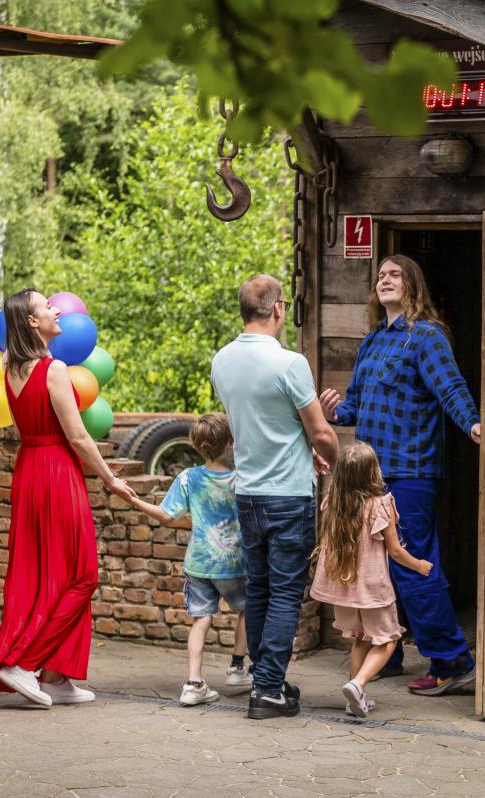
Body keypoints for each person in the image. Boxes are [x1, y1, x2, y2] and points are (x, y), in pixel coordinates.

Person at [319, 254, 480, 696]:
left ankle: (452, 661)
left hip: (411, 472)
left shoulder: (426, 336)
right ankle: (385, 652)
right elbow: (356, 405)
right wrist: (334, 412)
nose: (384, 280)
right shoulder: (373, 341)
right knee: (377, 569)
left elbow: (451, 388)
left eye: (394, 274)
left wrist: (472, 423)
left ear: (412, 285)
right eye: (380, 275)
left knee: (411, 566)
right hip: (370, 478)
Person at [0, 288, 137, 707]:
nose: (57, 310)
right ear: (32, 321)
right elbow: (78, 436)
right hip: (57, 471)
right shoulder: (54, 369)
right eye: (47, 306)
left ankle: (56, 677)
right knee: (82, 574)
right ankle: (24, 663)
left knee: (44, 575)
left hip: (29, 471)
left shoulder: (9, 367)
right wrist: (110, 479)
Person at [211, 274, 338, 719]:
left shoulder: (221, 361)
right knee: (285, 593)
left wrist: (304, 448)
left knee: (261, 590)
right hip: (288, 494)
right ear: (278, 309)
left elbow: (262, 423)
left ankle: (269, 678)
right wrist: (334, 460)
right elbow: (319, 431)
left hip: (248, 492)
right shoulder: (290, 363)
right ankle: (267, 689)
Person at [128, 413, 250, 706]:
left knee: (201, 619)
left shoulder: (188, 478)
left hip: (198, 564)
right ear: (230, 443)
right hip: (234, 564)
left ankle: (194, 683)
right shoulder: (243, 477)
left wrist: (134, 500)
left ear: (197, 446)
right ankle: (237, 668)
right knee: (249, 610)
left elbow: (166, 515)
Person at [310, 442, 432, 718]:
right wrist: (419, 566)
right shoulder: (380, 505)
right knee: (388, 640)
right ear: (372, 472)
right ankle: (358, 683)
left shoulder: (334, 503)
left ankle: (355, 699)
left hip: (345, 590)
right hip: (372, 589)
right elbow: (396, 551)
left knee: (362, 639)